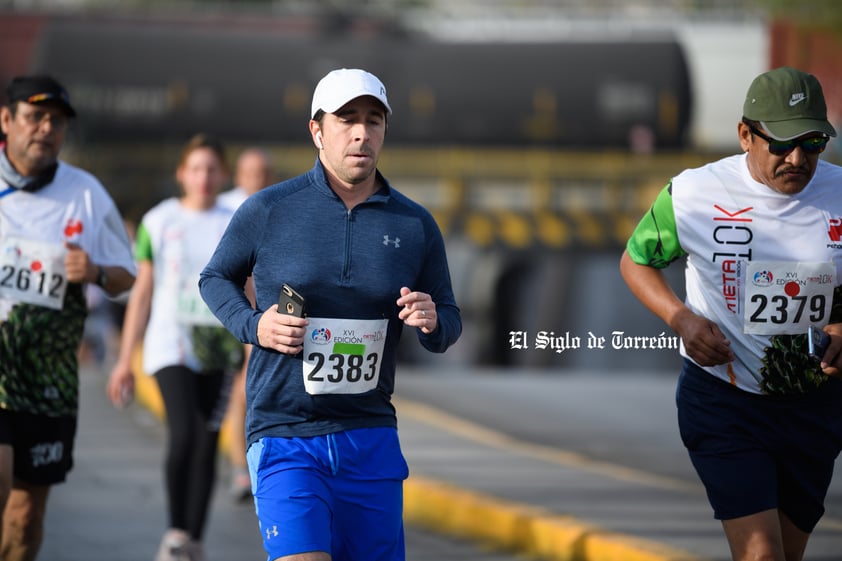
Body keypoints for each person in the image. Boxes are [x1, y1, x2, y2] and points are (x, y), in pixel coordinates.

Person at [199, 68, 462, 561]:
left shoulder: (414, 224)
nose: (362, 132)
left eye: (374, 120)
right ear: (317, 131)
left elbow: (448, 320)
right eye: (347, 120)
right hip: (285, 432)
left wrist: (431, 320)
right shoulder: (269, 209)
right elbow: (215, 278)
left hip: (370, 436)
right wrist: (254, 325)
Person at [620, 66, 842, 561]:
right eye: (782, 143)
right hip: (725, 399)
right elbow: (636, 261)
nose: (798, 158)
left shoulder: (840, 191)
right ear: (746, 134)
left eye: (813, 143)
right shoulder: (694, 193)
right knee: (761, 554)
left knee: (785, 553)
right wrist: (681, 318)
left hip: (815, 403)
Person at [0, 75, 136, 561]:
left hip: (48, 375)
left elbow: (128, 276)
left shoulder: (85, 192)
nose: (46, 129)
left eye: (56, 121)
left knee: (24, 518)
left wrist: (95, 270)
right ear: (6, 120)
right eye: (35, 117)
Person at [106, 134, 242, 561]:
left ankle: (193, 540)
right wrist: (124, 359)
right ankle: (175, 533)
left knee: (208, 440)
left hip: (221, 348)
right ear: (182, 173)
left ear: (223, 175)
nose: (203, 177)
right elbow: (143, 292)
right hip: (171, 345)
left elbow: (251, 287)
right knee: (184, 433)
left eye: (211, 169)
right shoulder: (158, 221)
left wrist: (255, 341)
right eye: (196, 168)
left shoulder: (237, 218)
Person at [217, 147, 275, 502]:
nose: (257, 179)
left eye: (263, 173)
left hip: (259, 314)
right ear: (238, 176)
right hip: (228, 313)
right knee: (238, 393)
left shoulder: (277, 207)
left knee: (246, 390)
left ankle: (248, 465)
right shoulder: (224, 209)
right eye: (250, 173)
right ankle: (241, 467)